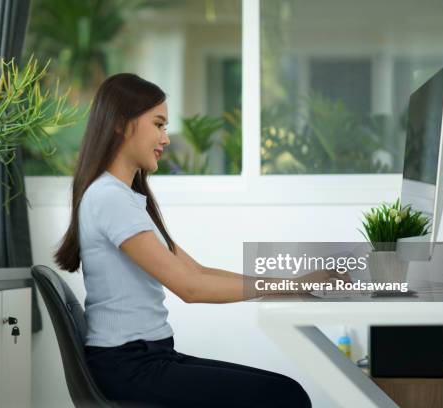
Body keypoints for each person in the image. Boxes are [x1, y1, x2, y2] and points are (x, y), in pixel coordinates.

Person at [54, 73, 343, 407]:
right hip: (130, 366)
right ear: (122, 123)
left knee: (285, 390)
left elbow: (198, 272)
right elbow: (190, 289)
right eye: (158, 124)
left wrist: (293, 284)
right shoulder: (109, 198)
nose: (166, 138)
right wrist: (292, 286)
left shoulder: (125, 197)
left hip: (146, 358)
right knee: (285, 396)